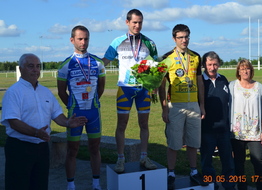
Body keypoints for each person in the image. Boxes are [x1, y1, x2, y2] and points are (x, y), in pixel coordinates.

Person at [1, 53, 88, 190]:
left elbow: (56, 114)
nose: (35, 70)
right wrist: (36, 132)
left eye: (38, 66)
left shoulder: (46, 92)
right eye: (31, 66)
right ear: (21, 69)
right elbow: (13, 122)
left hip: (42, 148)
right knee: (18, 185)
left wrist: (67, 123)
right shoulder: (14, 92)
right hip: (20, 148)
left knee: (40, 185)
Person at [102, 9, 158, 173]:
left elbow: (155, 64)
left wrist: (154, 83)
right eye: (134, 22)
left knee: (144, 124)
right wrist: (92, 69)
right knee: (122, 125)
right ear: (127, 22)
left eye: (140, 22)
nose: (137, 25)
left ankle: (144, 156)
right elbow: (105, 60)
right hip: (125, 89)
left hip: (143, 90)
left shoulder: (150, 43)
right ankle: (120, 159)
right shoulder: (117, 42)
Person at [158, 24, 207, 190]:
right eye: (180, 37)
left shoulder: (196, 57)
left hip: (193, 104)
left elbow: (200, 82)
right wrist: (165, 108)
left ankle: (193, 172)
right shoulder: (167, 58)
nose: (184, 40)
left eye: (186, 37)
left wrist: (202, 105)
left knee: (193, 142)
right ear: (174, 39)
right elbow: (161, 85)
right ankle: (171, 173)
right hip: (175, 105)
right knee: (174, 142)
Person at [57, 25, 106, 190]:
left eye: (86, 39)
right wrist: (72, 107)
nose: (83, 42)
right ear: (72, 40)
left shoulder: (98, 63)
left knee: (94, 148)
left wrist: (91, 103)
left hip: (94, 112)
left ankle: (96, 184)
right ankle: (71, 185)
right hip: (75, 112)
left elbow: (100, 89)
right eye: (80, 39)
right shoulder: (65, 65)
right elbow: (61, 92)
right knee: (73, 150)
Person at [229, 59, 262, 190]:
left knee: (259, 161)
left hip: (255, 132)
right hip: (236, 132)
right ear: (238, 71)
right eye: (242, 69)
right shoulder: (232, 86)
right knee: (238, 162)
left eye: (247, 68)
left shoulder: (260, 87)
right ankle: (241, 186)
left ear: (251, 70)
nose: (245, 71)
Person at [200, 51, 235, 190]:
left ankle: (229, 185)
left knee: (228, 161)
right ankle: (210, 185)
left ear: (219, 64)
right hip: (207, 129)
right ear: (204, 65)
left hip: (224, 129)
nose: (212, 68)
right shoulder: (200, 81)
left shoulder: (223, 79)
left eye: (215, 64)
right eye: (209, 64)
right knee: (207, 160)